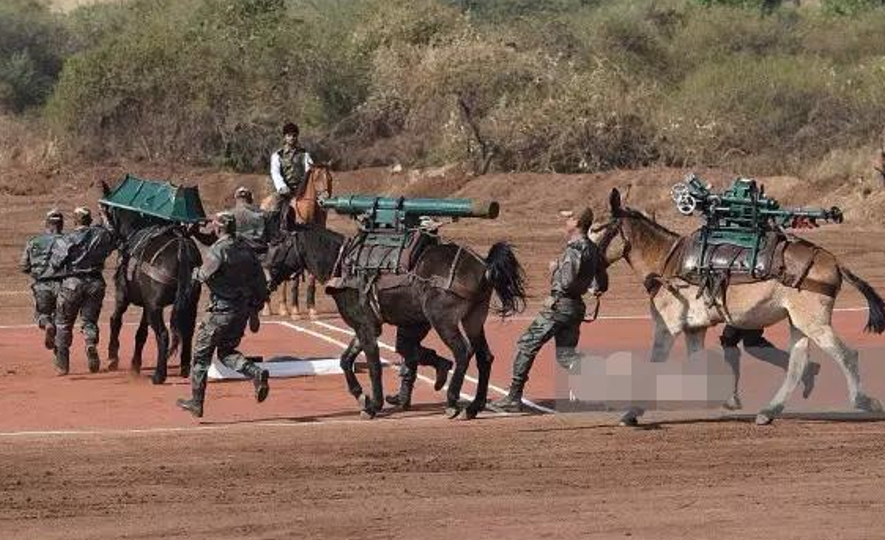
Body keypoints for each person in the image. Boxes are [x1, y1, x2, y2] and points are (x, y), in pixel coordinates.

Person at [493, 207, 608, 412]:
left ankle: (513, 396)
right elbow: (603, 282)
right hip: (575, 308)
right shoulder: (593, 249)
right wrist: (592, 287)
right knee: (566, 356)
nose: (566, 222)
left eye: (570, 219)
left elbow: (566, 281)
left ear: (577, 224)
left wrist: (555, 269)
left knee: (526, 345)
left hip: (559, 307)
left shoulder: (574, 250)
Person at [176, 212, 270, 418]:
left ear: (218, 229)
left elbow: (202, 275)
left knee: (200, 358)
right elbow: (261, 283)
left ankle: (196, 402)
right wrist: (255, 309)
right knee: (226, 352)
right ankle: (255, 372)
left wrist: (192, 270)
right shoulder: (246, 249)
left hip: (220, 312)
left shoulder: (219, 250)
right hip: (241, 311)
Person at [50, 206, 116, 375]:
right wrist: (104, 214)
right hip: (95, 283)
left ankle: (62, 364)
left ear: (75, 220)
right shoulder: (100, 235)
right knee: (89, 321)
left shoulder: (67, 239)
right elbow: (112, 232)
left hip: (72, 283)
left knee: (64, 323)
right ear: (89, 220)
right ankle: (90, 343)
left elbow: (56, 263)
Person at [720, 325, 820, 410]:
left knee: (747, 344)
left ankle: (803, 367)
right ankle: (804, 368)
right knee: (744, 343)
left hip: (747, 310)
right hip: (746, 311)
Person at [20, 209, 65, 351]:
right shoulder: (68, 241)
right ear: (61, 224)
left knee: (42, 315)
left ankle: (47, 325)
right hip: (63, 285)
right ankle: (61, 355)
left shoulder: (34, 242)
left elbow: (24, 266)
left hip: (41, 285)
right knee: (62, 319)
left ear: (47, 224)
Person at [270, 122, 313, 202]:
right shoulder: (278, 155)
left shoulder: (304, 154)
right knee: (274, 210)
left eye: (294, 135)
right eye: (289, 135)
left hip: (302, 191)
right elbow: (275, 173)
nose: (292, 138)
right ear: (285, 137)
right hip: (284, 191)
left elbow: (310, 171)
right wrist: (282, 187)